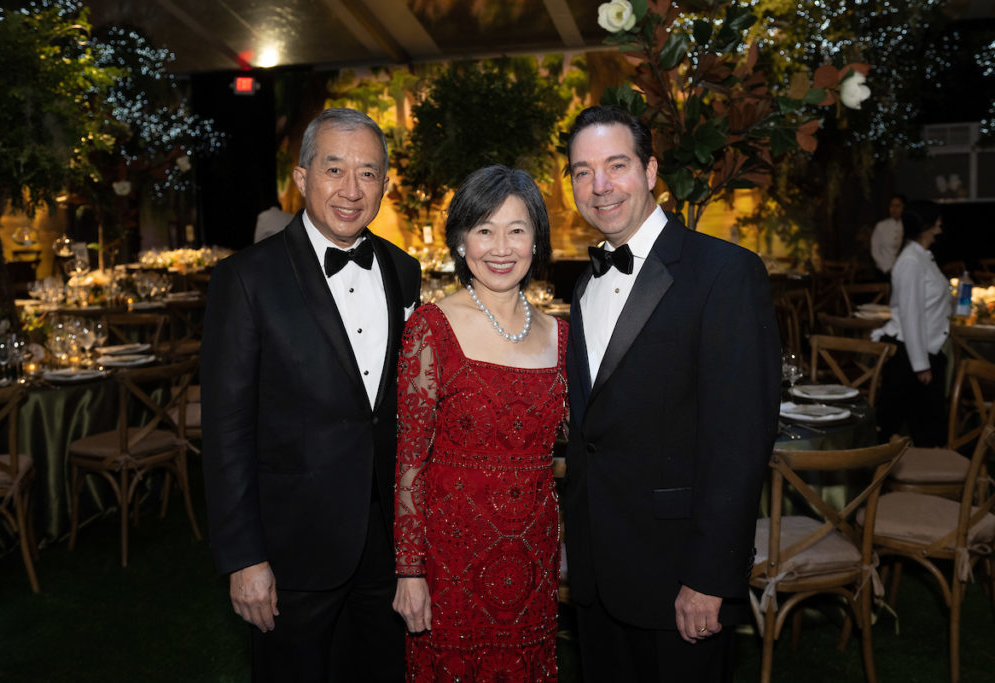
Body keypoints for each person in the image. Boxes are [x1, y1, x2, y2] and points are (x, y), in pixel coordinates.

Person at [561, 105, 781, 682]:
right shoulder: (583, 285)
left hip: (681, 578)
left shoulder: (725, 273)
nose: (600, 186)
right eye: (582, 171)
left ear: (652, 170)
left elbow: (739, 442)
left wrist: (711, 576)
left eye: (616, 165)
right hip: (595, 577)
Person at [201, 108, 421, 682]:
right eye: (334, 169)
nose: (352, 190)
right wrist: (244, 558)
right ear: (301, 180)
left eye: (369, 173)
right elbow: (225, 431)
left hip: (386, 551)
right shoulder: (245, 278)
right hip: (291, 549)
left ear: (385, 185)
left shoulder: (403, 269)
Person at [391, 165, 567, 681]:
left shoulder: (561, 337)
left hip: (532, 559)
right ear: (461, 241)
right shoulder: (431, 328)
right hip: (450, 563)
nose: (500, 247)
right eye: (484, 230)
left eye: (517, 230)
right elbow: (409, 462)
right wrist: (409, 570)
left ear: (537, 240)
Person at [873, 201, 950, 447]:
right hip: (909, 356)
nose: (941, 223)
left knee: (927, 431)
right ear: (926, 225)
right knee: (895, 431)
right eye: (936, 219)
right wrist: (921, 365)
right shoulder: (910, 262)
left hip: (925, 352)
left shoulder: (923, 257)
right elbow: (911, 317)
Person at [870, 194, 906, 275]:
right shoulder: (881, 226)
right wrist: (886, 268)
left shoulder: (906, 226)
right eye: (892, 206)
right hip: (883, 270)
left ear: (903, 207)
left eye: (897, 206)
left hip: (902, 269)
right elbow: (875, 250)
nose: (894, 209)